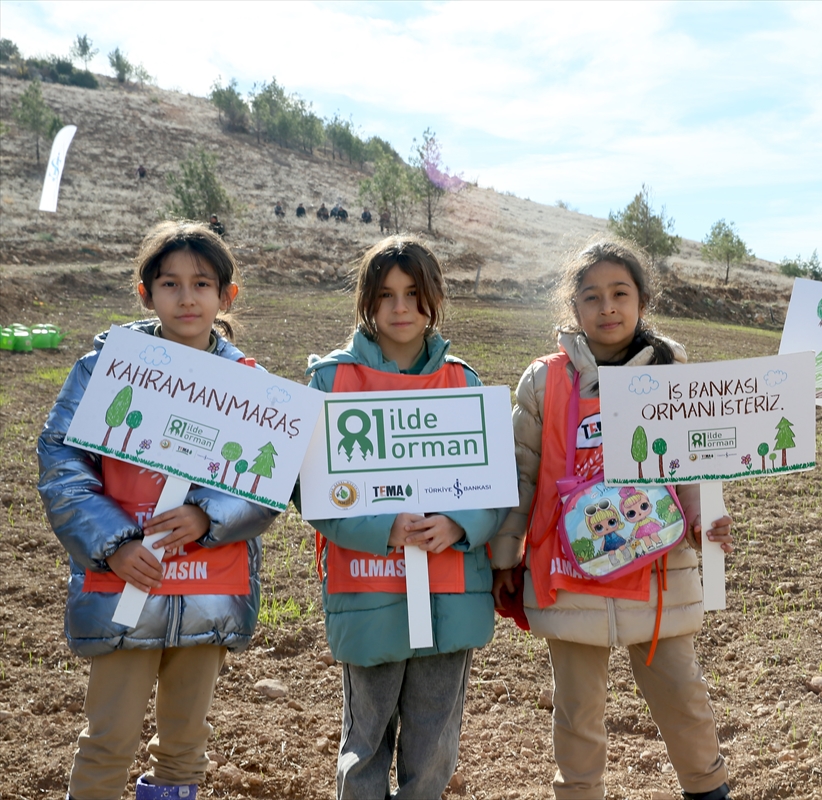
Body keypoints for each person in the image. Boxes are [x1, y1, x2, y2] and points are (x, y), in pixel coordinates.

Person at [37, 221, 278, 800]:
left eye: (202, 283)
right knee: (108, 738)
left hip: (208, 591)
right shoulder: (106, 369)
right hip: (124, 588)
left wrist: (207, 515)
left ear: (227, 295)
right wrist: (114, 545)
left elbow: (268, 480)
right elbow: (62, 460)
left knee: (185, 744)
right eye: (170, 283)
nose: (187, 297)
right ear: (146, 293)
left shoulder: (251, 386)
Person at [490, 238, 735, 800]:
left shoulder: (674, 376)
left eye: (620, 293)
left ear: (642, 301)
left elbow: (694, 470)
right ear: (572, 309)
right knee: (577, 714)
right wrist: (505, 557)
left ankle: (708, 789)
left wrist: (704, 522)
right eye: (592, 296)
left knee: (684, 698)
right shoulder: (543, 381)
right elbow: (520, 473)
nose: (607, 307)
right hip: (567, 572)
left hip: (658, 568)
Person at [303, 236, 506, 799]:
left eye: (414, 294)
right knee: (364, 744)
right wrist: (381, 527)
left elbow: (494, 487)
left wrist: (460, 524)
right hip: (369, 593)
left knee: (434, 745)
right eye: (387, 294)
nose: (400, 308)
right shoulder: (331, 382)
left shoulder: (462, 382)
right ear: (367, 301)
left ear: (433, 298)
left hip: (451, 593)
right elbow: (313, 490)